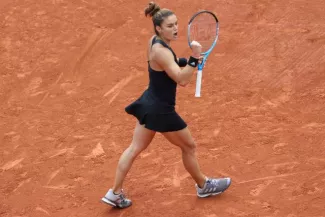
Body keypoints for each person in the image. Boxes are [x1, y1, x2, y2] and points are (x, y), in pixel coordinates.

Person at [101, 2, 231, 209]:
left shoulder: (154, 42)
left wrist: (188, 61)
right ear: (159, 28)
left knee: (134, 148)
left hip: (149, 103)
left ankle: (114, 193)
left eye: (176, 24)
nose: (176, 28)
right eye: (170, 26)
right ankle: (203, 185)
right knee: (189, 146)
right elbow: (182, 80)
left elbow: (169, 62)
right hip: (161, 110)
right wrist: (194, 59)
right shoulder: (161, 51)